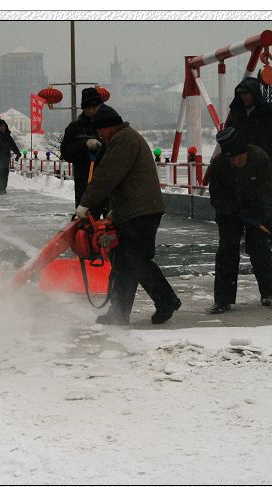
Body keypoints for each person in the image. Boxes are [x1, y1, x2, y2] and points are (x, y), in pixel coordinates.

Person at [77, 104, 181, 325]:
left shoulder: (123, 140)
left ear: (108, 127)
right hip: (135, 209)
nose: (100, 137)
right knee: (124, 260)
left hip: (140, 210)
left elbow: (107, 175)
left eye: (100, 131)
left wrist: (86, 204)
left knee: (135, 259)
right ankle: (120, 311)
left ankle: (166, 300)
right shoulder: (125, 137)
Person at [207, 127, 272, 314]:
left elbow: (269, 194)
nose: (236, 162)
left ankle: (267, 292)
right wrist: (233, 210)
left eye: (239, 157)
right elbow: (216, 198)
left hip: (256, 210)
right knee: (227, 251)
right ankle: (223, 300)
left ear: (245, 152)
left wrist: (271, 223)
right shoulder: (217, 165)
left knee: (259, 248)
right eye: (231, 159)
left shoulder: (259, 158)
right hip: (230, 213)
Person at [60, 87, 108, 218]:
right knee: (87, 221)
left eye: (95, 106)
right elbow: (66, 152)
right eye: (88, 107)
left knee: (111, 223)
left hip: (107, 179)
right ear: (84, 108)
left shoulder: (107, 125)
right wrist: (84, 144)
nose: (92, 110)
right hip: (85, 181)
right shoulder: (75, 127)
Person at [224, 77, 272, 166]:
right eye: (241, 93)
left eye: (246, 93)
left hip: (264, 161)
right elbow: (228, 134)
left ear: (254, 94)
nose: (243, 96)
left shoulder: (268, 111)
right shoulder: (236, 113)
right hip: (241, 163)